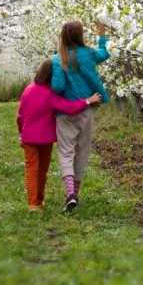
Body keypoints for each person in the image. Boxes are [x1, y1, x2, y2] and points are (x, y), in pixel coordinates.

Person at [17, 60, 102, 211]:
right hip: (45, 139)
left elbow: (20, 116)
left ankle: (33, 203)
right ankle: (39, 199)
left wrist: (21, 134)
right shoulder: (51, 94)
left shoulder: (28, 90)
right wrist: (87, 100)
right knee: (42, 170)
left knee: (31, 169)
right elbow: (68, 107)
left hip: (29, 138)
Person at [51, 20, 110, 212]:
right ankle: (75, 192)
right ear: (81, 36)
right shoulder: (89, 54)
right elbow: (105, 54)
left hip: (65, 113)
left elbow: (58, 87)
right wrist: (102, 33)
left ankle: (70, 193)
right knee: (82, 151)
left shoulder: (57, 58)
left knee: (66, 152)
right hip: (86, 109)